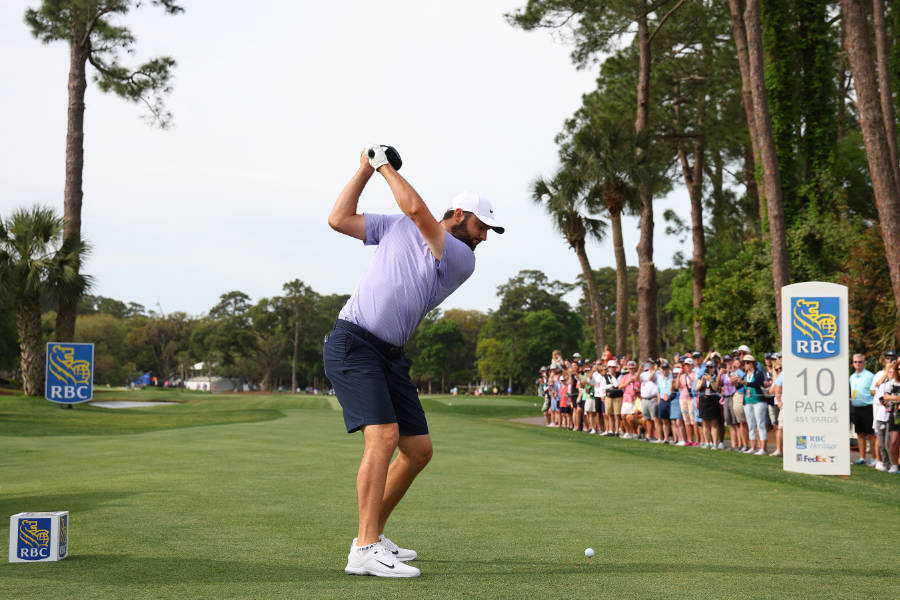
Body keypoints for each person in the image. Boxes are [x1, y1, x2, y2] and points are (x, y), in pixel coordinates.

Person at [324, 146, 504, 578]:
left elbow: (420, 213)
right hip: (354, 342)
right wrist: (366, 169)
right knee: (383, 438)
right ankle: (365, 548)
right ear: (460, 214)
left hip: (389, 355)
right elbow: (339, 219)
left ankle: (371, 534)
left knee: (417, 450)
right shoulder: (395, 226)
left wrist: (383, 164)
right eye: (482, 226)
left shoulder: (462, 259)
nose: (484, 237)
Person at [849, 353, 876, 466]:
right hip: (856, 408)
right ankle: (862, 458)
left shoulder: (870, 376)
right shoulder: (852, 377)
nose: (858, 364)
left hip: (868, 407)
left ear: (864, 363)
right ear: (853, 363)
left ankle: (875, 458)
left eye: (860, 362)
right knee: (859, 434)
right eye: (855, 362)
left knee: (870, 434)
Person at [741, 355, 768, 455]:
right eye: (744, 363)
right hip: (748, 402)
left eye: (747, 362)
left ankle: (763, 449)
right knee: (751, 425)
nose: (745, 365)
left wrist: (745, 383)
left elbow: (757, 383)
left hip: (758, 401)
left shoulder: (758, 373)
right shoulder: (744, 375)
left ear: (752, 363)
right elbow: (740, 386)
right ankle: (753, 447)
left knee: (760, 424)